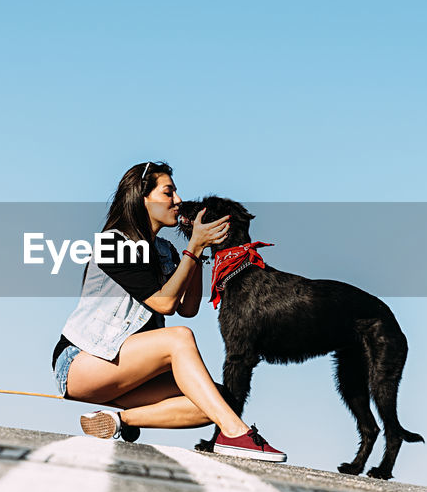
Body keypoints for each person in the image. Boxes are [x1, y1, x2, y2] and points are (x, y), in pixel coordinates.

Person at [52, 161, 285, 462]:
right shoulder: (113, 243)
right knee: (178, 339)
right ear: (142, 198)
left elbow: (187, 308)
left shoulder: (165, 251)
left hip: (127, 372)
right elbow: (163, 303)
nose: (178, 200)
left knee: (215, 400)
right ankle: (236, 434)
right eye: (169, 192)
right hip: (83, 363)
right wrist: (194, 249)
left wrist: (197, 250)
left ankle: (120, 422)